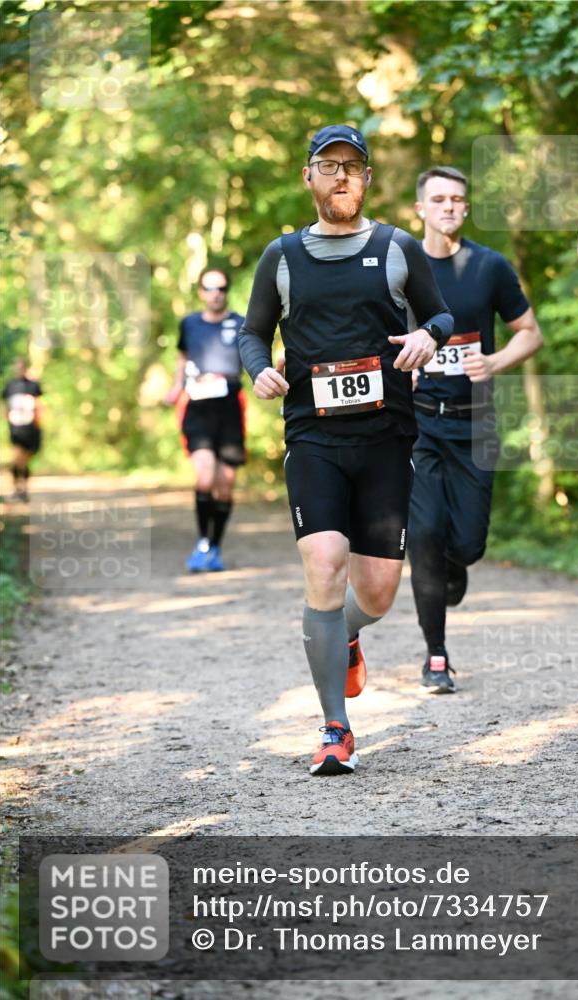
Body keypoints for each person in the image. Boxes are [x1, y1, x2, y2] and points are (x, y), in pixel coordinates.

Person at [239, 125, 453, 775]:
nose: (341, 177)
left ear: (366, 180)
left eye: (353, 167)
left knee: (379, 590)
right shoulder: (280, 257)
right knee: (323, 565)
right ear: (308, 177)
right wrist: (259, 371)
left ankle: (346, 632)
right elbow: (253, 335)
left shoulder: (396, 248)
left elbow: (438, 316)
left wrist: (426, 340)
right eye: (328, 166)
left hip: (387, 438)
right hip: (313, 439)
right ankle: (335, 726)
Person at [408, 167, 543, 693]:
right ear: (420, 208)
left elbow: (530, 334)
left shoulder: (488, 266)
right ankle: (436, 655)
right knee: (423, 533)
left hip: (477, 424)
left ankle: (453, 562)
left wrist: (495, 361)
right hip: (417, 424)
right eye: (438, 199)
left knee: (467, 545)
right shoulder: (400, 267)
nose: (448, 207)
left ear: (466, 208)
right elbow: (371, 335)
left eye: (457, 199)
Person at [165, 266, 246, 572]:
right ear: (200, 292)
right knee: (204, 476)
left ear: (227, 291)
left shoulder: (240, 324)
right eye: (210, 289)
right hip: (198, 407)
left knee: (225, 485)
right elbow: (182, 356)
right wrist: (175, 386)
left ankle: (215, 547)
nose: (216, 294)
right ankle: (201, 542)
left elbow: (254, 355)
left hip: (229, 408)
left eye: (221, 288)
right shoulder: (189, 323)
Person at [2, 357, 43, 502]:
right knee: (16, 457)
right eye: (16, 367)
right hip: (16, 428)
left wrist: (39, 424)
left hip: (30, 428)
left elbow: (39, 405)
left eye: (21, 367)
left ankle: (24, 488)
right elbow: (5, 404)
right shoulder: (10, 386)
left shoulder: (33, 385)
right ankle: (16, 488)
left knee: (25, 460)